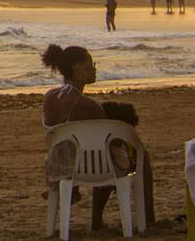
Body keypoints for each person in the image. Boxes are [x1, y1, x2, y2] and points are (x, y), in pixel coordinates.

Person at [42, 44, 153, 230]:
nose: (94, 69)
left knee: (99, 153)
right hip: (85, 167)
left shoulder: (49, 97)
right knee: (133, 155)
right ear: (78, 68)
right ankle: (144, 220)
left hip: (58, 164)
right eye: (91, 64)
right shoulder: (88, 105)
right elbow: (109, 142)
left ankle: (76, 200)